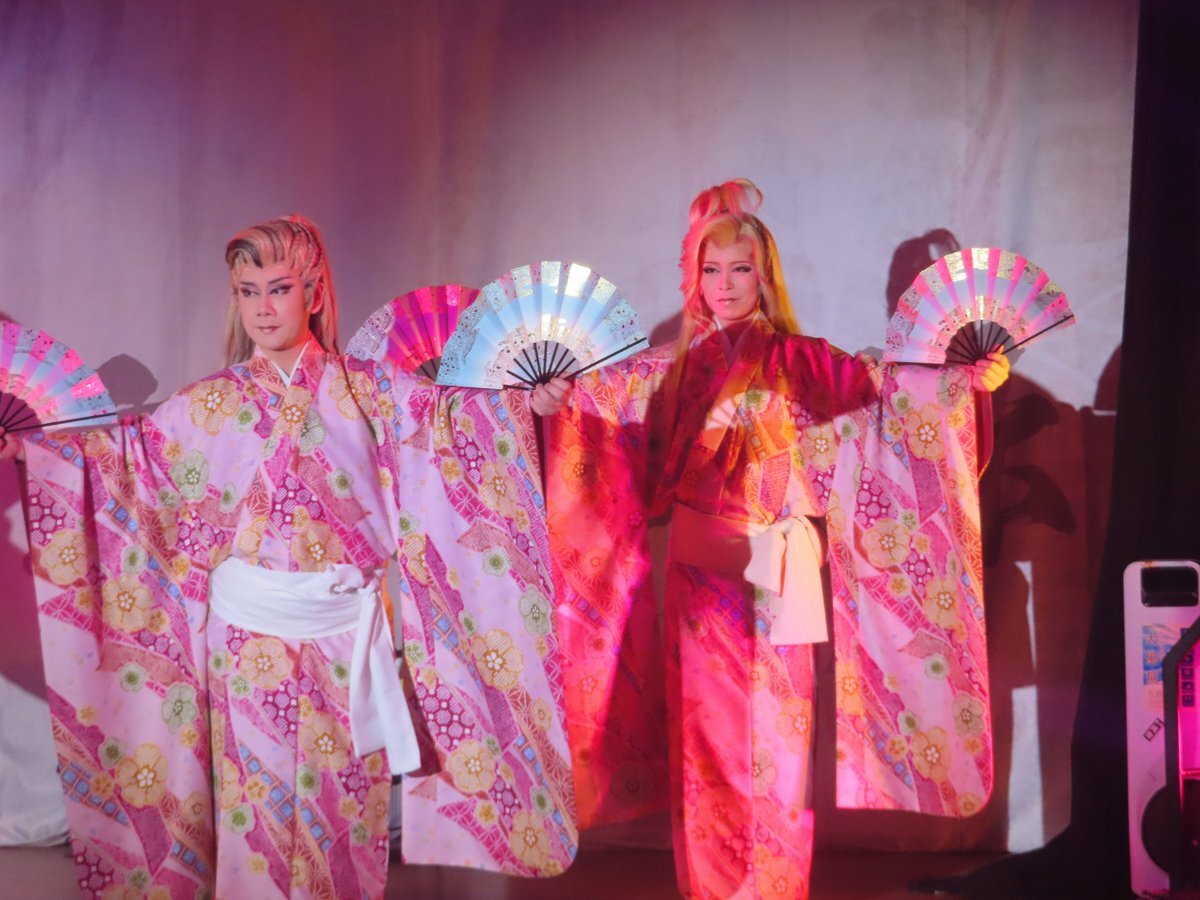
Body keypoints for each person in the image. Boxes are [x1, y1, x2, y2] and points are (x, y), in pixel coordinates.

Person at [0, 215, 577, 898]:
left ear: (315, 291)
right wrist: (32, 451)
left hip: (344, 633)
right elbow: (126, 460)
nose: (263, 308)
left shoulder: (372, 390)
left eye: (278, 288)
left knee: (342, 809)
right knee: (258, 811)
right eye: (248, 292)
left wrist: (525, 403)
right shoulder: (208, 404)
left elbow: (456, 420)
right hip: (248, 642)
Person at [535, 179, 1008, 898]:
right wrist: (556, 400)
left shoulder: (804, 361)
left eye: (740, 269)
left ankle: (776, 889)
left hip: (780, 573)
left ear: (765, 276)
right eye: (711, 269)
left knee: (781, 745)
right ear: (695, 278)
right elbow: (594, 412)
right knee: (708, 745)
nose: (725, 285)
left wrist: (961, 384)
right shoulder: (664, 368)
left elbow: (891, 398)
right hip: (700, 581)